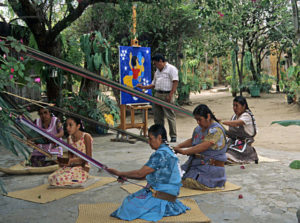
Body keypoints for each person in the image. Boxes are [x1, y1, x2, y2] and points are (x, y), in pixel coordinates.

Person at [107, 124, 190, 222]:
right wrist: (123, 175)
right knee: (131, 199)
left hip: (163, 194)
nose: (149, 142)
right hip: (169, 194)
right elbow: (146, 175)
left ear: (159, 137)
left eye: (150, 139)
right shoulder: (168, 150)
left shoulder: (160, 154)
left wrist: (119, 172)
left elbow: (140, 174)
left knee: (127, 206)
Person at [173, 104, 227, 190]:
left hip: (211, 169)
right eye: (196, 120)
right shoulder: (198, 128)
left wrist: (184, 152)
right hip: (197, 164)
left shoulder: (216, 130)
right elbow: (193, 140)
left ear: (208, 116)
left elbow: (204, 145)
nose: (198, 122)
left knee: (184, 180)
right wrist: (178, 146)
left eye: (200, 119)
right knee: (175, 175)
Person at [136, 53, 178, 142]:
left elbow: (175, 82)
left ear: (161, 61)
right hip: (158, 94)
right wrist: (143, 87)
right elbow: (153, 84)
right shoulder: (157, 72)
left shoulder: (171, 69)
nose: (155, 65)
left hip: (167, 94)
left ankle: (173, 136)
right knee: (158, 117)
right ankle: (161, 136)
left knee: (170, 115)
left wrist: (170, 95)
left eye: (155, 63)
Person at [48, 116, 93, 186]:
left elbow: (89, 158)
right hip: (72, 166)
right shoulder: (69, 138)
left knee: (59, 179)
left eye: (70, 125)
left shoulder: (86, 137)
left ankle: (78, 177)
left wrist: (72, 161)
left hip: (83, 167)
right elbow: (70, 157)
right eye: (67, 125)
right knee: (51, 178)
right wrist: (65, 162)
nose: (67, 128)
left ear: (78, 126)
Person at [222, 96, 258, 164]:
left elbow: (237, 123)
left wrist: (222, 122)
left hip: (244, 146)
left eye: (237, 106)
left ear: (244, 106)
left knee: (226, 156)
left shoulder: (247, 116)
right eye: (233, 105)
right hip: (233, 142)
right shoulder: (234, 116)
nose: (234, 108)